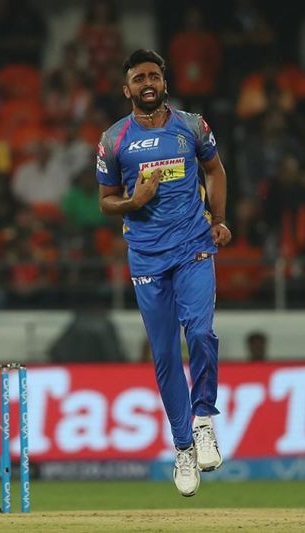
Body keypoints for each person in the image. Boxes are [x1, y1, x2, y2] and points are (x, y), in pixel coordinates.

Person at [96, 49, 232, 498]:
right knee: (165, 355)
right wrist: (134, 203)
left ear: (165, 83)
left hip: (194, 246)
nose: (147, 83)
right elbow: (105, 201)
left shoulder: (192, 126)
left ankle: (204, 420)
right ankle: (182, 448)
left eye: (154, 75)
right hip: (147, 259)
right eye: (138, 78)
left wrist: (219, 218)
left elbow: (215, 169)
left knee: (201, 332)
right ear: (127, 88)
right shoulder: (114, 140)